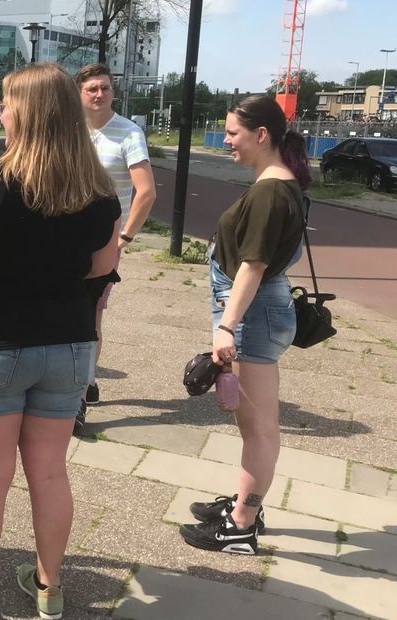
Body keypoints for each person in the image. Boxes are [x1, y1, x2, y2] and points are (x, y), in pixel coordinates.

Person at [0, 64, 120, 620]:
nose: (2, 114)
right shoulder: (100, 191)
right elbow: (102, 268)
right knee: (52, 472)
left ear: (28, 114)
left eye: (8, 105)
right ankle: (49, 588)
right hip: (70, 345)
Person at [180, 95, 309, 555]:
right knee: (259, 425)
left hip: (252, 316)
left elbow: (252, 266)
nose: (227, 140)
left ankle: (241, 525)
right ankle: (244, 504)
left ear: (261, 135)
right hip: (258, 312)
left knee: (258, 428)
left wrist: (226, 327)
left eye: (233, 133)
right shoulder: (277, 184)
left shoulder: (271, 191)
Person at [75, 63, 156, 425]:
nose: (100, 94)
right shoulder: (70, 131)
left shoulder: (128, 133)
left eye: (105, 88)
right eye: (92, 88)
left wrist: (124, 238)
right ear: (79, 93)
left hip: (104, 241)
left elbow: (146, 192)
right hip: (65, 236)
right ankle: (81, 380)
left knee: (90, 314)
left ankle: (81, 388)